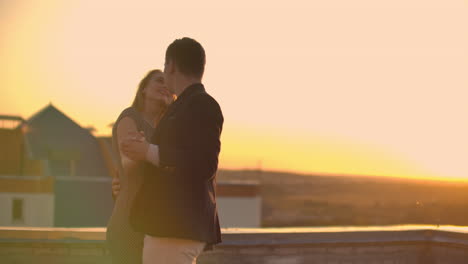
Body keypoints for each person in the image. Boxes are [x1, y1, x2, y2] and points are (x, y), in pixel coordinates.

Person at [121, 37, 224, 264]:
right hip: (172, 227)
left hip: (175, 228)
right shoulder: (186, 104)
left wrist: (148, 151)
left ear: (172, 66)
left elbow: (204, 164)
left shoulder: (202, 103)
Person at [106, 69, 174, 264]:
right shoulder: (130, 118)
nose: (165, 86)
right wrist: (143, 152)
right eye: (159, 81)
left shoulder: (166, 128)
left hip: (156, 226)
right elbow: (128, 165)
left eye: (169, 84)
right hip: (130, 222)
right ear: (144, 88)